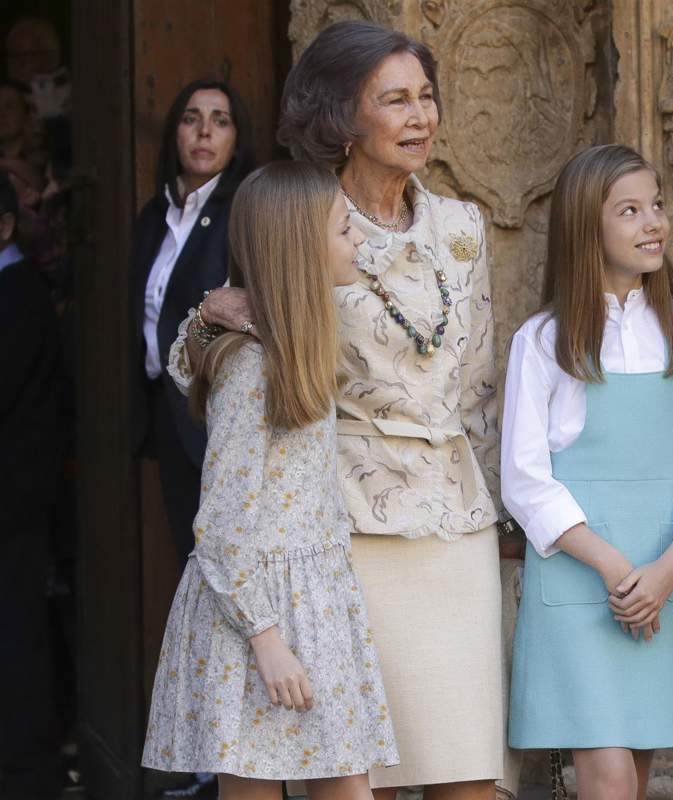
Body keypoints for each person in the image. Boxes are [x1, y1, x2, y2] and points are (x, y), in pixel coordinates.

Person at [169, 21, 522, 800]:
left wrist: (499, 516)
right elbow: (221, 367)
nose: (420, 115)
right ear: (342, 116)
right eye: (394, 99)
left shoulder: (461, 227)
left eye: (426, 96)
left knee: (471, 774)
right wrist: (206, 319)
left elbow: (480, 385)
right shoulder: (302, 219)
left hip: (453, 523)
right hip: (346, 530)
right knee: (366, 778)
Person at [141, 160, 398, 798]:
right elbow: (222, 522)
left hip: (314, 598)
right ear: (299, 247)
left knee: (346, 783)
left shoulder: (292, 346)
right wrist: (265, 637)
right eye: (345, 230)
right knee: (255, 786)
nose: (359, 240)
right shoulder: (251, 369)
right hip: (255, 611)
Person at [503, 144, 673, 799]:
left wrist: (666, 570)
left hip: (664, 574)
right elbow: (524, 478)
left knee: (634, 772)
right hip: (581, 582)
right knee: (605, 775)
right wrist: (613, 568)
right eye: (629, 211)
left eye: (655, 206)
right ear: (586, 227)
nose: (653, 222)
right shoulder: (544, 340)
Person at [131, 79, 254, 567]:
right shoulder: (154, 217)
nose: (204, 131)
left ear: (236, 139)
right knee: (190, 557)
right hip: (166, 410)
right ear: (174, 134)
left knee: (225, 559)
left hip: (217, 409)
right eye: (191, 118)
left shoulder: (243, 212)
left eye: (220, 120)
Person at [0, 172, 62, 799]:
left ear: (6, 225)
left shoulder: (17, 293)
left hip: (13, 497)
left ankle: (26, 771)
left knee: (15, 627)